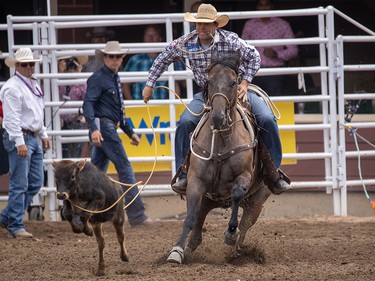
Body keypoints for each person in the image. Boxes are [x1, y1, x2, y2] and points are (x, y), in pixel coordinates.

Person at [142, 4, 291, 195]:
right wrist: (150, 84)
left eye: (206, 25)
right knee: (185, 122)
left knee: (267, 118)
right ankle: (183, 172)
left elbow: (254, 56)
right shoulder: (186, 43)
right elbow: (162, 58)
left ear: (215, 25)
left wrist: (244, 84)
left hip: (235, 91)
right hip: (207, 94)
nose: (201, 29)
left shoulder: (231, 40)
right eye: (198, 24)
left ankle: (273, 172)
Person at [83, 41, 153, 226]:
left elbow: (117, 110)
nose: (115, 60)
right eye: (111, 56)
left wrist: (129, 132)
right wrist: (94, 129)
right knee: (124, 168)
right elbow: (88, 105)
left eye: (117, 57)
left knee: (96, 172)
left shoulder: (113, 77)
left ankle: (78, 212)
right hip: (105, 128)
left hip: (107, 127)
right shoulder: (99, 78)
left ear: (121, 59)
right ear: (105, 58)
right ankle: (137, 215)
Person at [0, 47, 51, 238]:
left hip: (33, 136)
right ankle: (14, 224)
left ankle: (7, 217)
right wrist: (19, 142)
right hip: (20, 136)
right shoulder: (12, 88)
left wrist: (43, 134)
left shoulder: (32, 84)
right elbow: (12, 118)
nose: (29, 67)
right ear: (17, 66)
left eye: (31, 64)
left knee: (35, 182)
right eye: (25, 64)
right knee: (20, 183)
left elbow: (37, 113)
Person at [241, 0, 298, 96]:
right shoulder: (249, 25)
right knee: (252, 100)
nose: (264, 7)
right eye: (261, 5)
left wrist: (277, 54)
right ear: (257, 7)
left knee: (274, 101)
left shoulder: (283, 24)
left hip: (275, 70)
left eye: (267, 4)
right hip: (254, 70)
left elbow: (293, 50)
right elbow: (242, 48)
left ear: (272, 6)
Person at [122, 25, 180, 100]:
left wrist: (173, 105)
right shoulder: (135, 60)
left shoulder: (167, 60)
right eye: (148, 35)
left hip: (163, 106)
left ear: (160, 39)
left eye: (154, 35)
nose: (150, 38)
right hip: (139, 106)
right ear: (144, 38)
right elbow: (125, 84)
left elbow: (175, 84)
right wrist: (131, 104)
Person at [57, 53, 88, 158]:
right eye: (67, 61)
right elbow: (51, 94)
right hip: (59, 122)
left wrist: (78, 75)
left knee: (75, 155)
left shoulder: (81, 82)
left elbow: (87, 98)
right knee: (60, 153)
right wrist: (60, 72)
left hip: (76, 121)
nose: (70, 65)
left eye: (73, 61)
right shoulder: (56, 80)